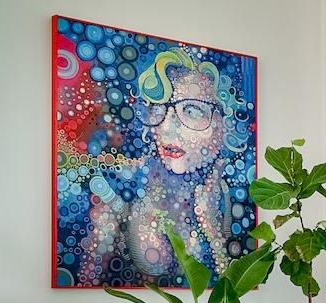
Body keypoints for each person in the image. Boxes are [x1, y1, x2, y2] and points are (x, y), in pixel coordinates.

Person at [78, 46, 242, 285]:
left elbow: (232, 295)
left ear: (225, 123)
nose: (166, 128)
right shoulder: (122, 188)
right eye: (157, 109)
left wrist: (212, 227)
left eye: (192, 110)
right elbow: (86, 284)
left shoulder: (233, 197)